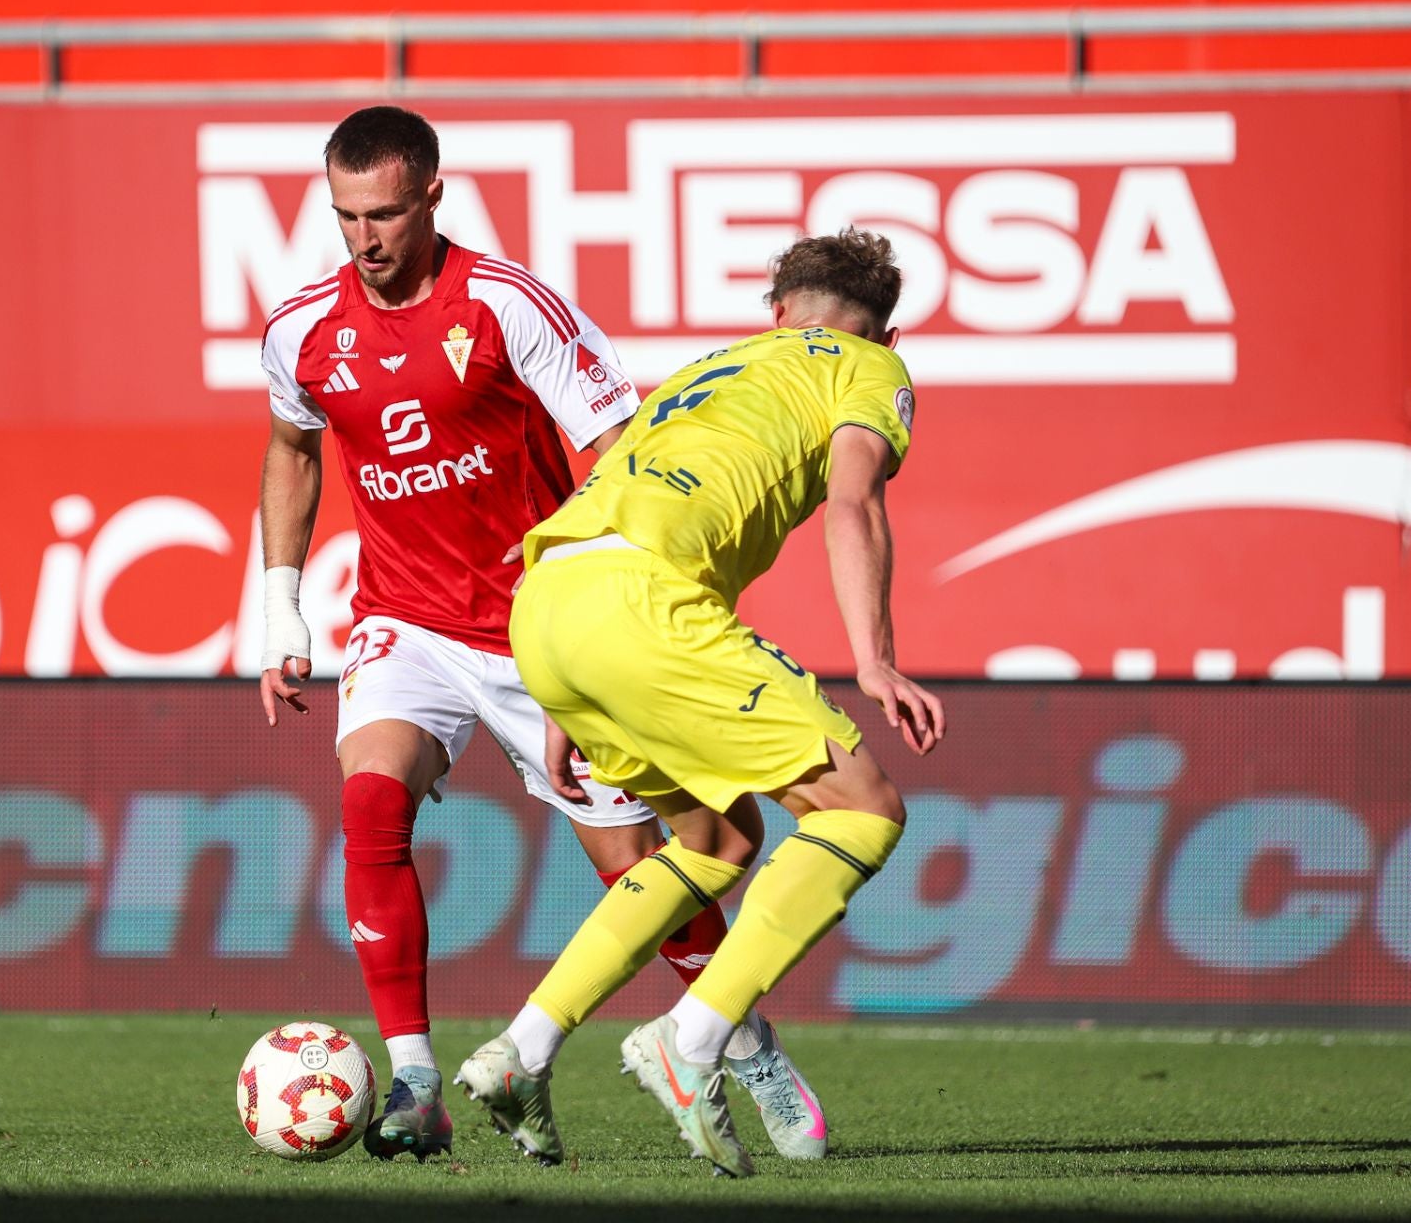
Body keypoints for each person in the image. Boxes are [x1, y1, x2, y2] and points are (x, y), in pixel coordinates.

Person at [257, 106, 817, 1163]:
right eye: (344, 217)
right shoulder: (300, 328)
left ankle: (739, 1041)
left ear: (431, 196)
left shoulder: (507, 305)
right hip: (403, 616)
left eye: (382, 214)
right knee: (370, 800)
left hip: (537, 626)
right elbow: (292, 450)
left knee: (647, 862)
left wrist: (602, 603)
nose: (363, 240)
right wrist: (281, 604)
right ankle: (417, 1079)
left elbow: (617, 440)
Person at [456, 228, 945, 1177]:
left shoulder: (710, 366)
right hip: (643, 604)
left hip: (548, 604)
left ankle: (521, 1050)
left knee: (716, 842)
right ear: (888, 334)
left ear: (777, 314)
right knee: (864, 810)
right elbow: (855, 504)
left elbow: (603, 484)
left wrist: (563, 699)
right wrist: (875, 661)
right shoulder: (868, 372)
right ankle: (693, 1038)